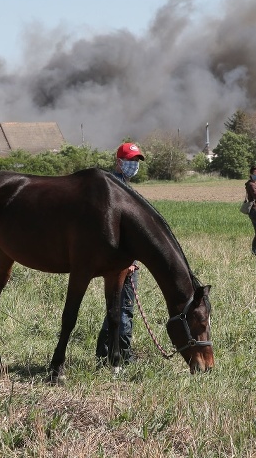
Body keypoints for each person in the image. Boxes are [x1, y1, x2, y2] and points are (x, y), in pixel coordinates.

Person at [96, 142, 145, 365]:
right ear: (118, 162)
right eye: (130, 161)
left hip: (126, 260)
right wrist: (131, 261)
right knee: (124, 308)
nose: (134, 165)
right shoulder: (116, 188)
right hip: (124, 262)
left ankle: (104, 352)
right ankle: (123, 355)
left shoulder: (122, 186)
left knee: (117, 308)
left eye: (136, 161)